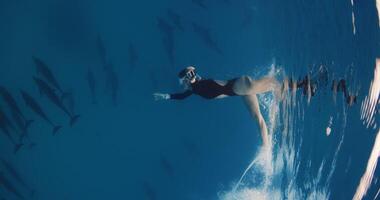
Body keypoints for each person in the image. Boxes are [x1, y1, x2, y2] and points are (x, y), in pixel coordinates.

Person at [153, 66, 283, 147]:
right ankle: (266, 148)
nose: (182, 84)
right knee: (257, 118)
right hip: (239, 90)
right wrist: (166, 96)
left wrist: (191, 77)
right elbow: (182, 96)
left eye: (183, 81)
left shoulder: (199, 85)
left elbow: (197, 82)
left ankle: (295, 84)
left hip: (241, 85)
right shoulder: (194, 89)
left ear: (188, 78)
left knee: (275, 87)